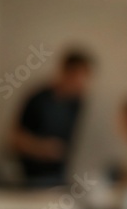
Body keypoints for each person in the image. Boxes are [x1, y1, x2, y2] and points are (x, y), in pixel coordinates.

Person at [10, 49, 92, 186]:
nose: (83, 84)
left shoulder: (76, 103)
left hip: (59, 178)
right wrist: (42, 148)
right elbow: (15, 139)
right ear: (66, 73)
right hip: (31, 179)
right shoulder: (38, 99)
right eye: (80, 77)